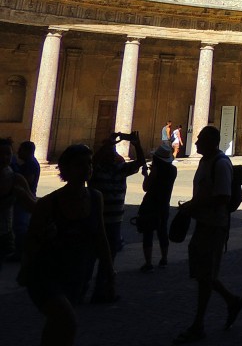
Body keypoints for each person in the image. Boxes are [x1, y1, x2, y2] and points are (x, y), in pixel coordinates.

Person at [19, 144, 115, 346]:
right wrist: (26, 268)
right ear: (66, 169)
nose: (87, 168)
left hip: (76, 272)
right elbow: (30, 240)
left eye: (89, 163)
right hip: (46, 273)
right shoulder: (48, 203)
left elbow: (100, 235)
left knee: (57, 324)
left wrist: (108, 268)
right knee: (68, 321)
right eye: (80, 164)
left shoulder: (95, 198)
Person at [173, 125, 242, 344]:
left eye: (200, 140)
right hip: (203, 223)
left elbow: (223, 196)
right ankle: (231, 301)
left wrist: (193, 206)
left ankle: (199, 324)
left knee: (205, 275)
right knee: (202, 273)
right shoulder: (206, 162)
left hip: (214, 225)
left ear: (211, 142)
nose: (195, 143)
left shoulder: (221, 164)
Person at [88, 131, 145, 302]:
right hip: (96, 221)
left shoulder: (120, 170)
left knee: (108, 258)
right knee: (90, 256)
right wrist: (108, 144)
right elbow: (92, 162)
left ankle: (101, 290)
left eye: (115, 152)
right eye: (111, 152)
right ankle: (81, 287)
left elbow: (141, 162)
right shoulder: (94, 171)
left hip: (114, 222)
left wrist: (137, 145)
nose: (115, 154)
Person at [139, 142, 177, 271]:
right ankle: (164, 259)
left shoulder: (156, 170)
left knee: (148, 233)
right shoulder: (173, 170)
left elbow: (146, 187)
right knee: (162, 232)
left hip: (151, 204)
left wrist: (146, 174)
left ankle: (148, 263)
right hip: (164, 204)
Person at [1, 137, 35, 268]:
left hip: (4, 235)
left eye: (8, 153)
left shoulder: (16, 179)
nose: (4, 158)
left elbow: (33, 206)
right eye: (0, 154)